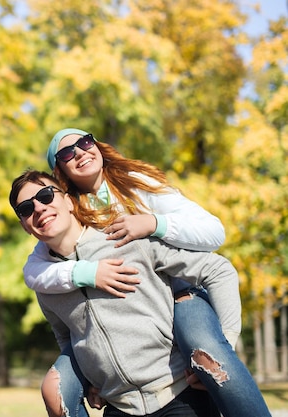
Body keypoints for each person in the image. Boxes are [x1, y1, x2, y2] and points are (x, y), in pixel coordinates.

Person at [25, 130, 271, 417]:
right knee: (56, 388)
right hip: (127, 318)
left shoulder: (136, 184)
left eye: (85, 143)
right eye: (67, 153)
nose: (79, 152)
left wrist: (154, 223)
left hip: (181, 294)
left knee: (213, 357)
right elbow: (33, 271)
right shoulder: (67, 212)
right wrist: (87, 272)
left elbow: (214, 234)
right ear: (60, 172)